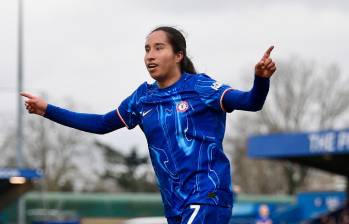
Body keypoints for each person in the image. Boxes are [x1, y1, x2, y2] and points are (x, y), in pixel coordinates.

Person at [21, 26, 276, 224]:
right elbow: (101, 124)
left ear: (178, 55)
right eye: (146, 49)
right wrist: (47, 110)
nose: (150, 56)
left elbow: (251, 101)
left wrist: (261, 80)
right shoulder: (143, 98)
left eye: (158, 48)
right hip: (174, 203)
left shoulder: (201, 88)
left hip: (207, 195)